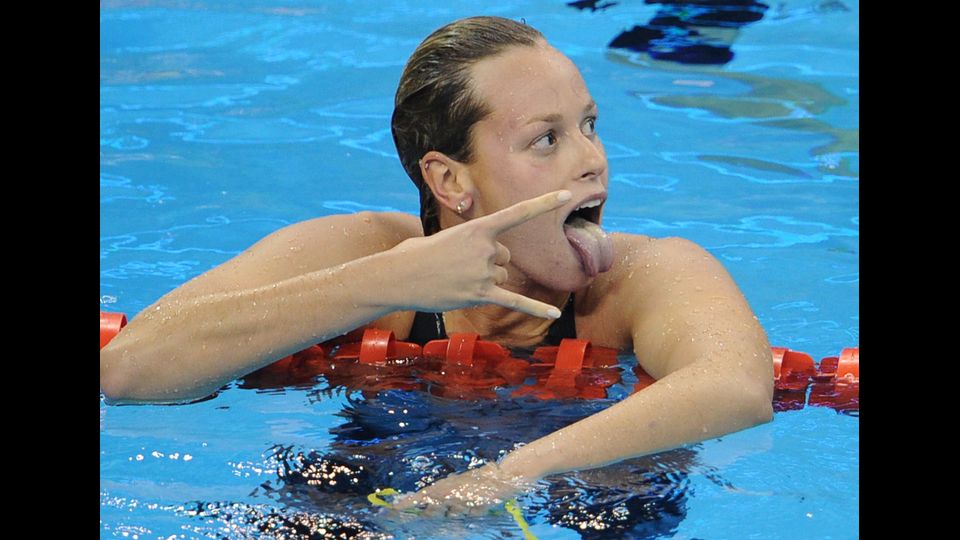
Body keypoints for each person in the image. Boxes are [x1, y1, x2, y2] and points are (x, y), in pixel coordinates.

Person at [99, 16, 773, 513]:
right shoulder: (362, 253)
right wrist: (388, 282)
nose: (590, 159)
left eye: (589, 126)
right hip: (392, 458)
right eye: (546, 139)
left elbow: (738, 389)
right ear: (451, 183)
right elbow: (129, 371)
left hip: (591, 484)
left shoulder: (643, 277)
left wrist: (507, 476)